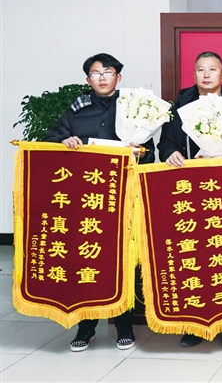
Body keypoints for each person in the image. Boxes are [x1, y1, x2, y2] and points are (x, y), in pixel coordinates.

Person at [43, 53, 155, 352]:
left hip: (121, 197)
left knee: (121, 260)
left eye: (108, 72)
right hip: (84, 199)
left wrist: (139, 151)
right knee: (85, 258)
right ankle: (86, 326)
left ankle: (124, 326)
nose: (102, 77)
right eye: (96, 73)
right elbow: (51, 138)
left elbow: (150, 154)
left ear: (118, 77)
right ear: (88, 79)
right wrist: (64, 141)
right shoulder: (77, 108)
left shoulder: (134, 109)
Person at [157, 51, 222, 349]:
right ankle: (194, 324)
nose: (206, 74)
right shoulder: (179, 108)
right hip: (187, 190)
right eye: (201, 70)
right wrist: (170, 154)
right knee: (191, 255)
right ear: (194, 75)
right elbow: (165, 143)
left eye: (212, 69)